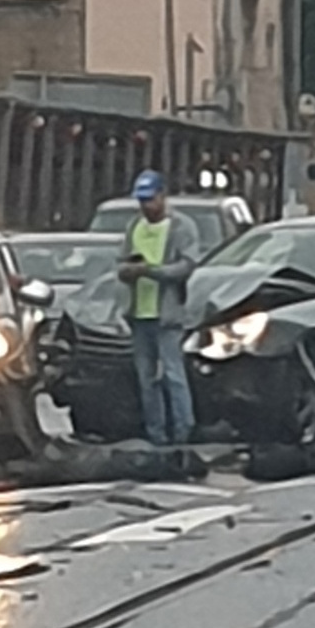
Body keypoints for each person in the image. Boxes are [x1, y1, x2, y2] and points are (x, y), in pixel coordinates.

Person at [117, 171, 201, 446]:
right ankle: (156, 434)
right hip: (139, 314)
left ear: (163, 195)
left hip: (167, 314)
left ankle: (183, 432)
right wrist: (128, 271)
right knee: (146, 379)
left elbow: (186, 266)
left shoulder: (181, 227)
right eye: (141, 201)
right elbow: (121, 263)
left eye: (150, 200)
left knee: (174, 376)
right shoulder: (134, 227)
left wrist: (151, 271)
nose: (146, 206)